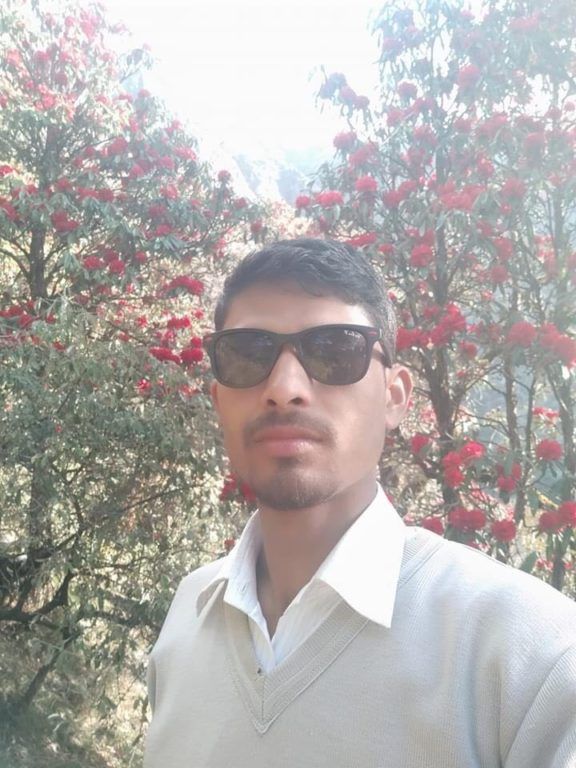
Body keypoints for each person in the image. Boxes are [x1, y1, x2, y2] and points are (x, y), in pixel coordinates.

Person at [144, 238, 576, 768]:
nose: (284, 387)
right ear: (218, 400)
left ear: (395, 397)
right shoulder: (188, 616)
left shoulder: (531, 655)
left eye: (334, 350)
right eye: (249, 354)